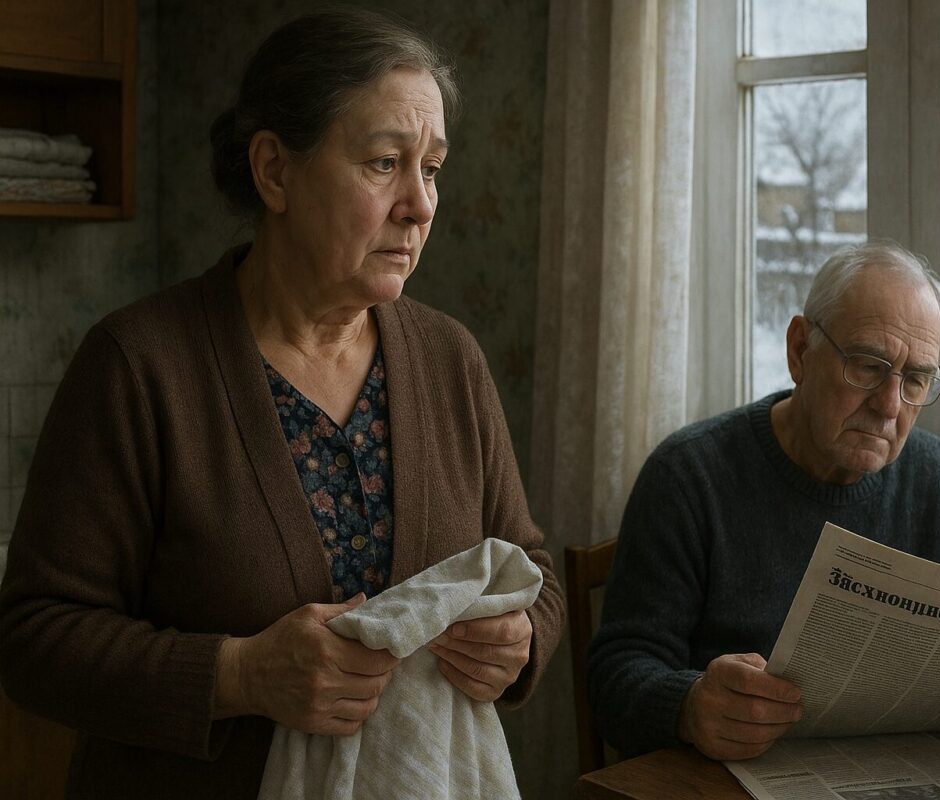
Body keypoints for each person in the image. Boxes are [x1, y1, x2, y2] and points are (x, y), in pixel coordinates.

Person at [0, 10, 563, 798]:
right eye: (383, 164)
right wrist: (239, 674)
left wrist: (520, 639)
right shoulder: (138, 366)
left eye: (431, 167)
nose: (420, 204)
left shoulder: (449, 360)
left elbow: (533, 569)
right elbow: (32, 639)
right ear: (274, 171)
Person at [588, 241, 940, 763]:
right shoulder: (689, 476)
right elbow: (614, 679)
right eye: (869, 366)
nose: (889, 405)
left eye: (916, 379)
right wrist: (690, 707)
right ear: (799, 351)